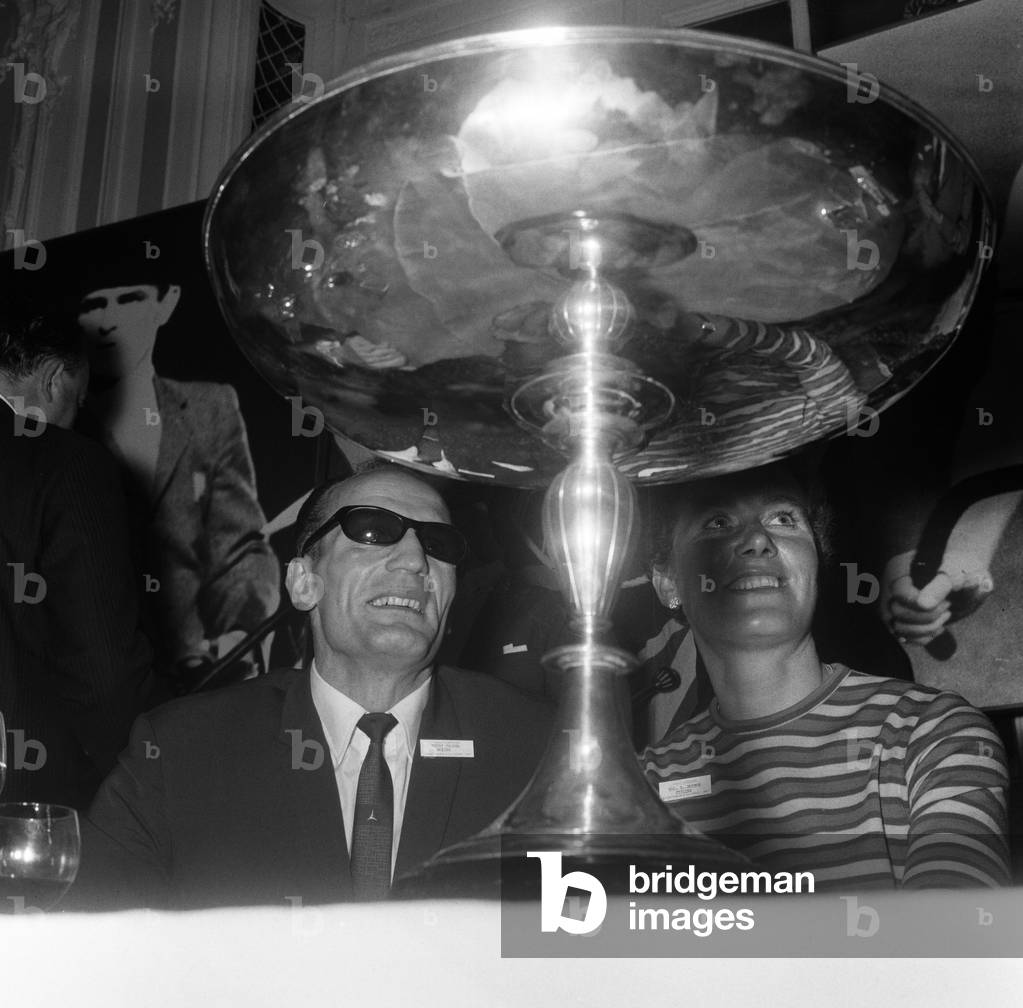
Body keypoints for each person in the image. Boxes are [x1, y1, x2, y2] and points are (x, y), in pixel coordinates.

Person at [70, 463, 554, 908]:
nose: (414, 560)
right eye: (372, 531)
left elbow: (597, 958)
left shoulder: (542, 752)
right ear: (303, 583)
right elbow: (92, 952)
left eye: (439, 545)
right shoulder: (178, 755)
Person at [641, 460, 1010, 889]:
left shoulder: (930, 732)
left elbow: (952, 944)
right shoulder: (646, 784)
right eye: (717, 521)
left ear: (817, 559)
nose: (758, 539)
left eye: (784, 518)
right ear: (667, 582)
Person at [76, 263, 279, 685]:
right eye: (94, 305)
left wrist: (239, 633)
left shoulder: (210, 407)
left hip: (192, 673)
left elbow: (238, 544)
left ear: (165, 304)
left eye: (129, 298)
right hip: (85, 672)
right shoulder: (61, 426)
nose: (109, 320)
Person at [0, 296, 155, 808]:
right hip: (22, 799)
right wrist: (150, 781)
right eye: (80, 396)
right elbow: (103, 674)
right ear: (52, 379)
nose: (78, 413)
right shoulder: (64, 464)